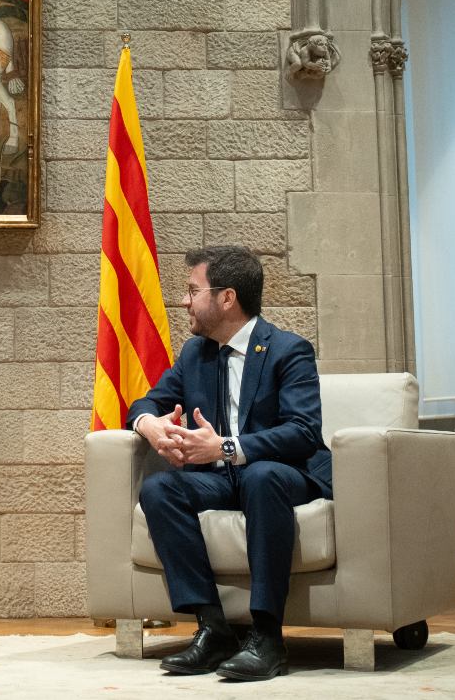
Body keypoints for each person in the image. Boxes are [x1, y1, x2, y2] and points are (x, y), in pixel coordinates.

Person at [127, 245, 332, 682]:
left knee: (260, 476)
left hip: (282, 474)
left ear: (226, 298)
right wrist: (150, 426)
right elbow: (147, 400)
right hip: (221, 482)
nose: (184, 301)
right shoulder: (195, 354)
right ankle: (212, 627)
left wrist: (223, 447)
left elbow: (303, 432)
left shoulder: (287, 350)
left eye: (192, 290)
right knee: (159, 488)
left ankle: (267, 637)